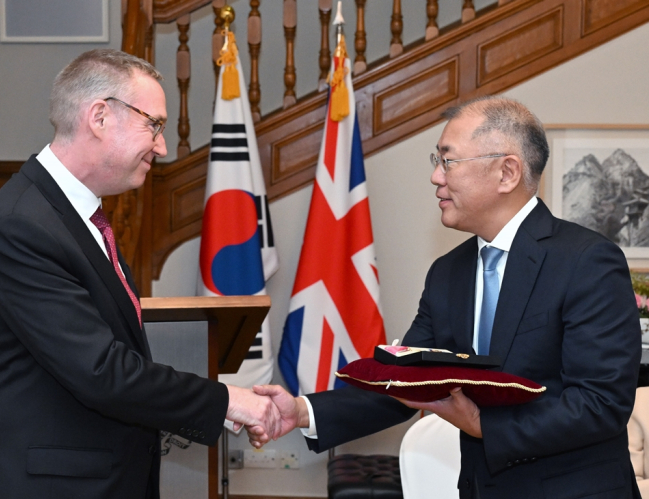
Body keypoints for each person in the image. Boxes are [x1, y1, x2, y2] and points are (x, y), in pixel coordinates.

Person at [249, 96, 643, 498]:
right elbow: (407, 383)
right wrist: (301, 411)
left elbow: (600, 403)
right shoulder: (447, 272)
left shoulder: (586, 261)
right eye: (435, 161)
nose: (436, 177)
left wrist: (482, 424)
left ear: (507, 172)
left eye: (448, 161)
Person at [0, 49, 280, 499]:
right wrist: (227, 400)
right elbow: (101, 370)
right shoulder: (20, 225)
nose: (163, 146)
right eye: (154, 124)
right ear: (99, 116)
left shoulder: (78, 218)